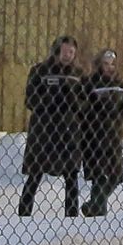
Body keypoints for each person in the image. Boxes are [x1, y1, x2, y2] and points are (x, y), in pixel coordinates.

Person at [20, 35, 88, 216]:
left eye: (72, 52)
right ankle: (24, 215)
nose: (68, 56)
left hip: (69, 132)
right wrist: (50, 97)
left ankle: (71, 216)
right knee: (35, 175)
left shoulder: (78, 75)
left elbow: (86, 103)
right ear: (56, 50)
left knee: (71, 176)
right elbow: (30, 100)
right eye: (65, 51)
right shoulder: (40, 71)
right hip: (44, 132)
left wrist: (72, 99)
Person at [80, 48, 123, 217]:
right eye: (106, 64)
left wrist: (118, 116)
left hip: (113, 135)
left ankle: (94, 205)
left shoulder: (119, 84)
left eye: (113, 64)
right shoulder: (90, 83)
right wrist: (99, 114)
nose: (110, 67)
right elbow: (84, 109)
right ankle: (98, 212)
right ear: (99, 65)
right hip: (94, 136)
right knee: (99, 176)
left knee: (115, 176)